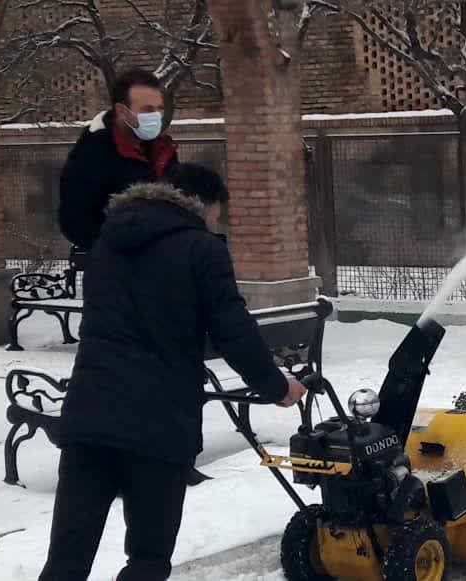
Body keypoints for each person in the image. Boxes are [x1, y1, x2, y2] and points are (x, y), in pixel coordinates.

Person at [39, 163, 307, 581]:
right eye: (218, 213)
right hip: (158, 425)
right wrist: (277, 387)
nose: (218, 222)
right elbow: (233, 331)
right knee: (147, 558)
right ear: (201, 204)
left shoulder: (107, 242)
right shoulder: (202, 248)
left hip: (89, 419)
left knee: (67, 561)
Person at [58, 69, 180, 250]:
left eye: (159, 108)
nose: (156, 116)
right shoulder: (93, 154)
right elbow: (75, 218)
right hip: (118, 266)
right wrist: (116, 251)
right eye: (147, 109)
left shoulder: (163, 150)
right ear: (122, 111)